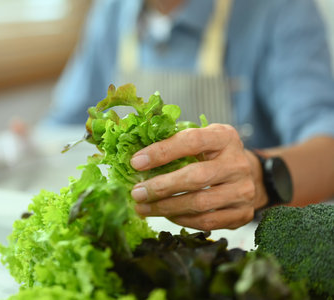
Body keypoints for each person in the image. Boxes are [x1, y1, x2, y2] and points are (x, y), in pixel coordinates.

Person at [43, 0, 334, 230]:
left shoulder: (279, 8)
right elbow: (67, 123)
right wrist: (23, 144)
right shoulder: (112, 10)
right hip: (140, 236)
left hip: (245, 242)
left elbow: (328, 147)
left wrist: (260, 178)